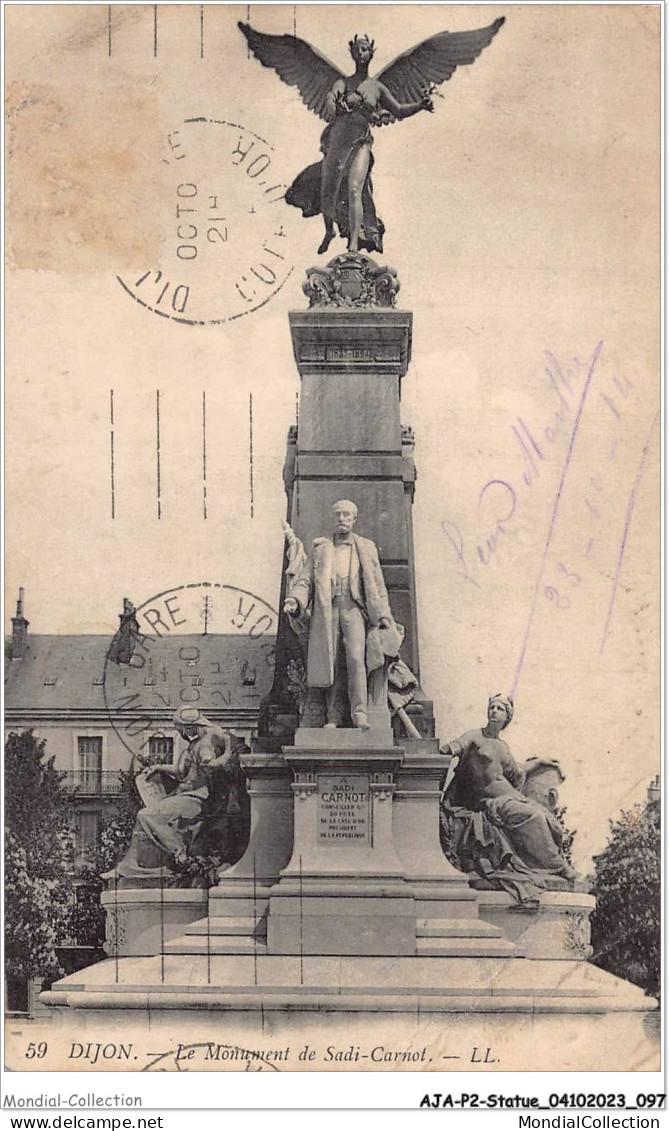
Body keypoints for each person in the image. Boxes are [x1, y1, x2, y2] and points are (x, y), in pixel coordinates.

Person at [287, 35, 433, 255]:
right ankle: (329, 231)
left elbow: (399, 110)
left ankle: (353, 245)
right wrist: (341, 103)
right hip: (337, 142)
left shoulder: (378, 88)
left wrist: (421, 105)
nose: (360, 53)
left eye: (364, 49)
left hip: (361, 142)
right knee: (329, 193)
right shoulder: (342, 83)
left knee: (355, 188)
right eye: (357, 50)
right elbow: (329, 103)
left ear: (371, 53)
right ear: (352, 54)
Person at [439, 695, 576, 903]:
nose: (494, 711)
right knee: (535, 816)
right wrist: (445, 751)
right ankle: (558, 866)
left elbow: (517, 772)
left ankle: (547, 865)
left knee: (550, 821)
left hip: (511, 797)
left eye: (499, 709)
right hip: (491, 803)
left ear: (507, 717)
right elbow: (455, 746)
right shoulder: (475, 736)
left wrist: (539, 761)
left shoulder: (503, 747)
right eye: (492, 707)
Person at [283, 500, 397, 730]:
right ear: (332, 518)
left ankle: (360, 713)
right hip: (327, 611)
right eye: (338, 515)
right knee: (331, 661)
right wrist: (295, 600)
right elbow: (305, 580)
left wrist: (384, 614)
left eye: (346, 515)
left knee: (356, 660)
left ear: (355, 519)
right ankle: (333, 716)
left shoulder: (366, 547)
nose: (342, 519)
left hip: (354, 610)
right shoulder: (321, 549)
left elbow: (377, 584)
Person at [113, 707, 240, 879]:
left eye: (182, 729)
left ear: (190, 725)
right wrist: (159, 767)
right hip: (185, 795)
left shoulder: (208, 741)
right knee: (146, 818)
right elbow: (181, 771)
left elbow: (210, 765)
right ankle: (128, 867)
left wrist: (228, 753)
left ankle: (181, 854)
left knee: (145, 816)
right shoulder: (196, 743)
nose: (182, 733)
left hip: (198, 798)